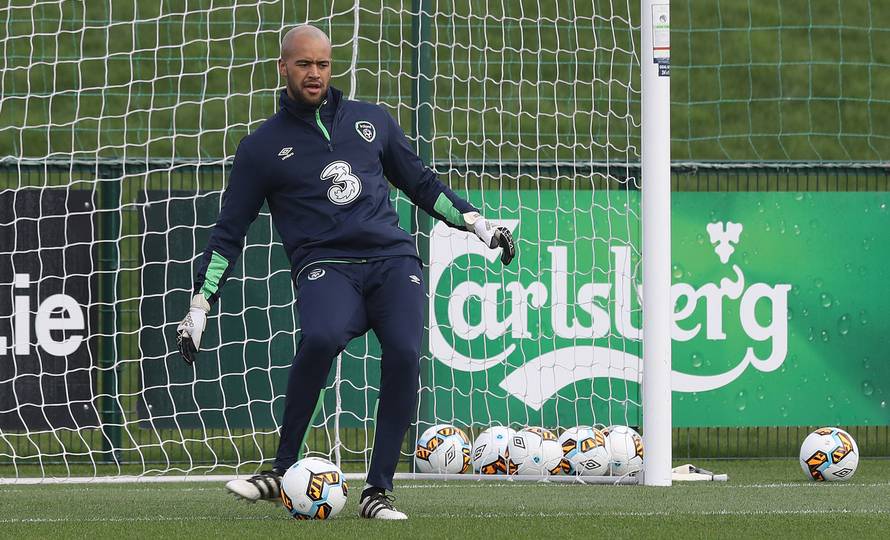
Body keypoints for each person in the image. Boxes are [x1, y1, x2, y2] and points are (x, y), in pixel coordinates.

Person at [174, 25, 515, 520]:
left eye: (323, 64)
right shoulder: (261, 147)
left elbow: (421, 184)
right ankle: (282, 470)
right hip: (326, 266)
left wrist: (478, 225)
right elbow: (229, 233)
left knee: (404, 352)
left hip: (393, 261)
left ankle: (377, 491)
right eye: (304, 64)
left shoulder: (371, 120)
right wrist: (200, 306)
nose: (314, 74)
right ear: (283, 67)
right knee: (321, 336)